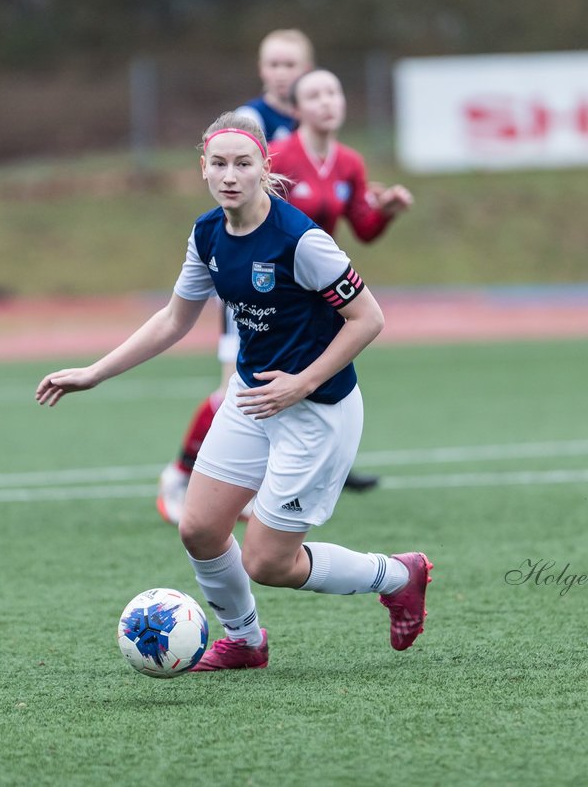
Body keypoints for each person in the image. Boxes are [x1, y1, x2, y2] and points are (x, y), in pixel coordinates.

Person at [37, 113, 432, 670]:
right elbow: (175, 319)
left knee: (268, 563)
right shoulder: (207, 234)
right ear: (203, 168)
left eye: (243, 164)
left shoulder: (301, 241)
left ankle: (398, 574)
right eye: (218, 164)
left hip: (318, 411)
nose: (230, 175)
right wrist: (94, 372)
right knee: (198, 528)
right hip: (251, 401)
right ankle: (245, 642)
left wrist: (303, 382)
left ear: (264, 168)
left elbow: (368, 319)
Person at [155, 67, 412, 523]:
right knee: (232, 392)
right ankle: (185, 470)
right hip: (253, 290)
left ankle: (300, 471)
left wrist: (386, 212)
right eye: (314, 95)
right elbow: (249, 224)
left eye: (333, 92)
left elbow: (362, 230)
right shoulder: (280, 156)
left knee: (289, 391)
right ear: (295, 109)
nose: (327, 102)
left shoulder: (349, 162)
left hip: (304, 293)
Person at [233, 29, 314, 144]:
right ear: (261, 69)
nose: (281, 73)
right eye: (273, 65)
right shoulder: (249, 118)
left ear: (307, 70)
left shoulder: (314, 115)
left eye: (290, 65)